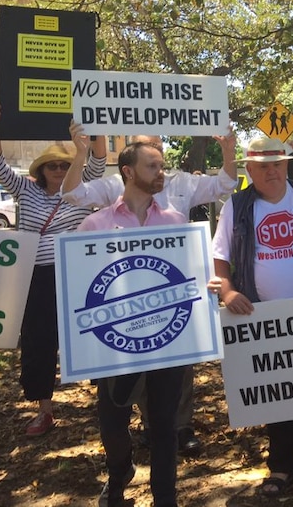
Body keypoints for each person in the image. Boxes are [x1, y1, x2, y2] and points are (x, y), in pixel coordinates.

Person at [62, 122, 238, 454]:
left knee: (178, 362)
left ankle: (180, 427)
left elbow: (225, 184)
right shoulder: (113, 186)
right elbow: (72, 194)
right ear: (130, 163)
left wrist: (228, 150)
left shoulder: (182, 187)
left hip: (174, 283)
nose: (157, 157)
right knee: (136, 358)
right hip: (126, 288)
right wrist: (81, 153)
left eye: (160, 150)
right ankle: (145, 428)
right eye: (149, 151)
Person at [210, 136, 293, 496]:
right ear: (250, 170)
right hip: (261, 315)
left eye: (278, 164)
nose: (272, 171)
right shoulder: (237, 206)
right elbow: (220, 255)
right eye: (263, 166)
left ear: (286, 165)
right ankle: (281, 465)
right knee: (278, 390)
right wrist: (227, 291)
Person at [77, 141, 188, 507]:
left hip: (166, 342)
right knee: (112, 426)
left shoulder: (175, 221)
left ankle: (166, 497)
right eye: (153, 166)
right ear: (128, 171)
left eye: (162, 166)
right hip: (115, 346)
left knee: (164, 426)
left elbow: (187, 276)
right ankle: (120, 470)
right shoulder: (96, 224)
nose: (162, 173)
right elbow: (79, 286)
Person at [0, 114, 105, 436]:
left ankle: (108, 404)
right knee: (39, 341)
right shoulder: (25, 192)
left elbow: (98, 160)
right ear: (41, 170)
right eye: (52, 166)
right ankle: (44, 409)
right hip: (37, 278)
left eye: (63, 165)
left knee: (92, 335)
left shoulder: (84, 190)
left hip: (77, 274)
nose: (58, 170)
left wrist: (95, 121)